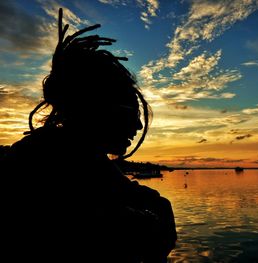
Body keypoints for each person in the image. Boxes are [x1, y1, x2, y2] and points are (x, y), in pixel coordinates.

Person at [3, 8, 176, 262]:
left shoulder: (81, 156)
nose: (138, 127)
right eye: (132, 113)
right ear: (96, 106)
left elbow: (131, 194)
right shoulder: (48, 162)